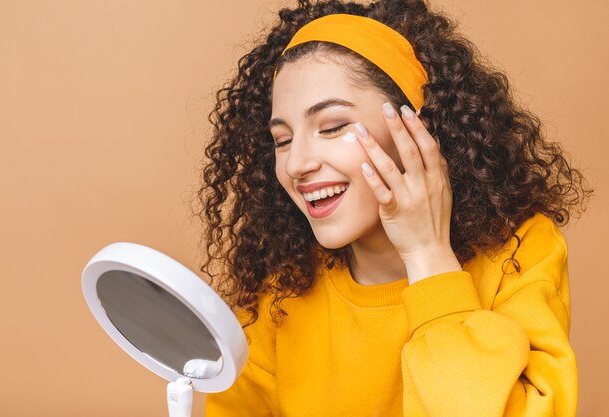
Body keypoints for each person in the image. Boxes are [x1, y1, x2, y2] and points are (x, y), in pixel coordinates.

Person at [193, 0, 593, 415]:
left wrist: (427, 255)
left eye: (332, 127)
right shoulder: (278, 295)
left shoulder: (519, 254)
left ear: (419, 129)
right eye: (282, 140)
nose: (296, 164)